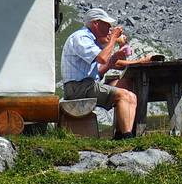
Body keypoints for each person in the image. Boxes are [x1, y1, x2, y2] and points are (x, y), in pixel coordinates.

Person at [58, 7, 153, 138]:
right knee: (127, 96)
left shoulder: (90, 40)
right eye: (107, 25)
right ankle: (126, 137)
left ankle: (120, 134)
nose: (109, 29)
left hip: (85, 86)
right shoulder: (81, 37)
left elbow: (100, 69)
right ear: (96, 24)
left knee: (125, 86)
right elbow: (102, 58)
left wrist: (113, 58)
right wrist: (113, 38)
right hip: (79, 87)